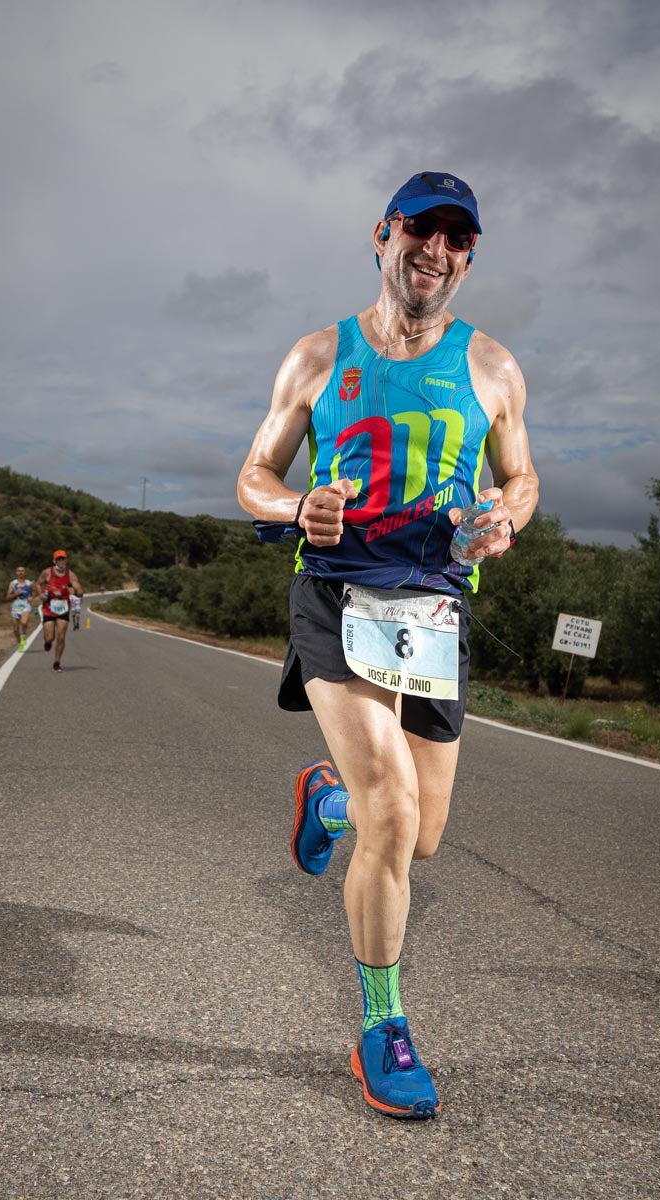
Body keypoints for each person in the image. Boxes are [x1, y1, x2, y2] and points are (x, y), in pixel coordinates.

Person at [237, 171, 539, 1120]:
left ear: (468, 257)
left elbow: (522, 476)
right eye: (422, 229)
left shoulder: (492, 366)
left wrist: (504, 520)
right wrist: (295, 508)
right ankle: (384, 1026)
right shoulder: (317, 356)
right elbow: (252, 475)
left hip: (436, 613)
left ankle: (324, 798)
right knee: (395, 819)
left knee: (424, 835)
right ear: (383, 234)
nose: (436, 252)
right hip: (337, 595)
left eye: (458, 239)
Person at [34, 550, 83, 673]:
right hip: (49, 608)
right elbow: (38, 584)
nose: (61, 561)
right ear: (54, 561)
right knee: (50, 637)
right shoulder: (47, 572)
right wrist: (40, 594)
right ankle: (47, 641)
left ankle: (56, 662)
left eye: (63, 559)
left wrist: (77, 591)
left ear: (66, 560)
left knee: (61, 637)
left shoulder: (70, 575)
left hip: (63, 609)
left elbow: (79, 589)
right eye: (59, 559)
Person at [5, 566, 33, 652]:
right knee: (15, 629)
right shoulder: (13, 583)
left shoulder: (29, 583)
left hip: (25, 605)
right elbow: (7, 597)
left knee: (24, 622)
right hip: (16, 606)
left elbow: (35, 592)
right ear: (16, 573)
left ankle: (23, 636)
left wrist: (32, 597)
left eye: (22, 571)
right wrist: (16, 594)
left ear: (25, 572)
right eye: (19, 571)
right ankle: (20, 642)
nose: (20, 573)